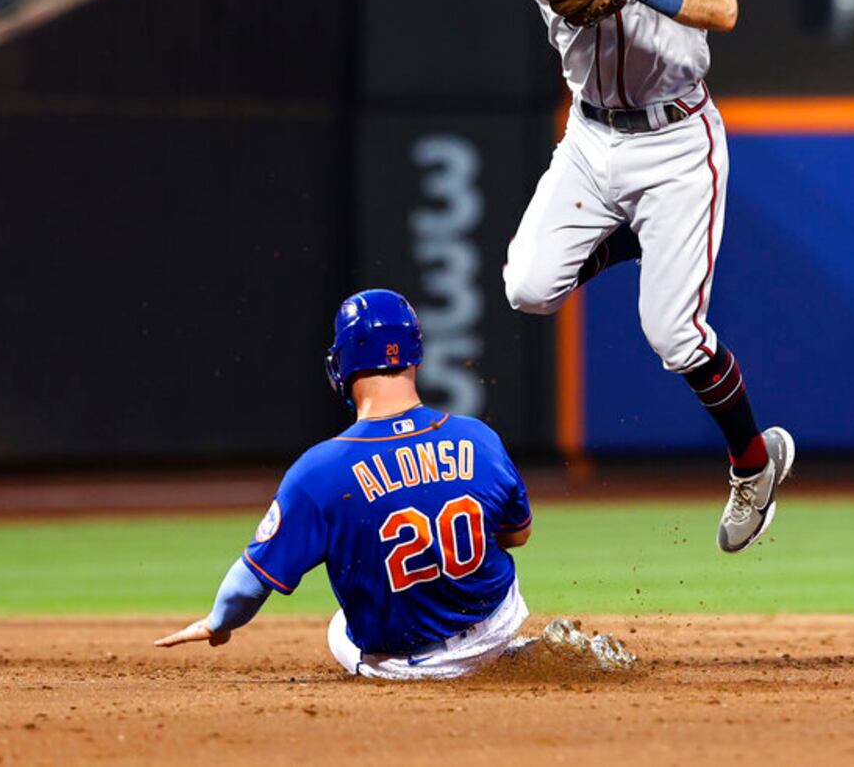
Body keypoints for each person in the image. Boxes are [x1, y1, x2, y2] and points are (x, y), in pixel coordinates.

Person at [375, 0, 795, 554]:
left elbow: (723, 9)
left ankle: (752, 462)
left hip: (675, 139)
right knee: (526, 287)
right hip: (592, 136)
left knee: (673, 334)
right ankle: (639, 236)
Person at [154, 289, 632, 678]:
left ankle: (448, 663)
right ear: (416, 355)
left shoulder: (319, 471)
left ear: (339, 367)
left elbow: (250, 585)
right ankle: (507, 654)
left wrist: (219, 624)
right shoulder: (478, 438)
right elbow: (518, 535)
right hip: (498, 624)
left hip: (411, 666)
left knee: (340, 628)